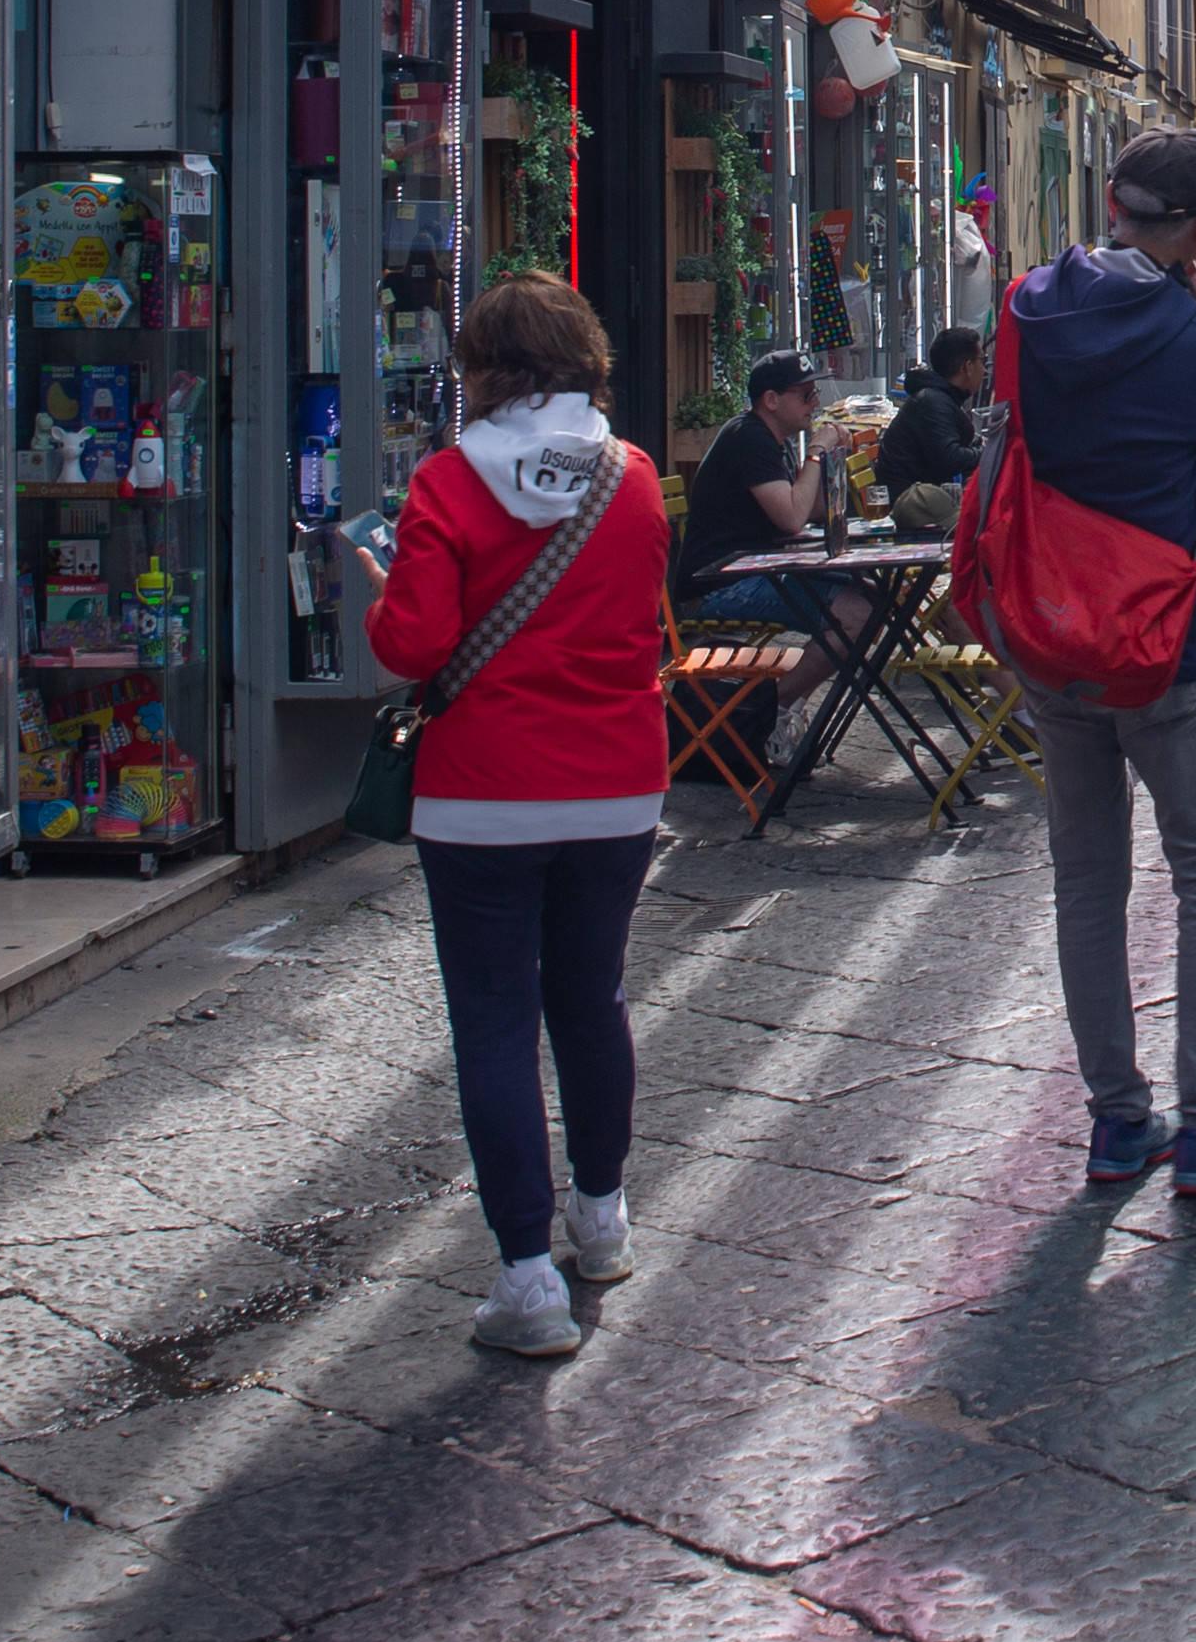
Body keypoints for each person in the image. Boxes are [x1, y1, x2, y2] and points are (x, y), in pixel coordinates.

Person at [362, 274, 673, 1360]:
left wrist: (377, 583)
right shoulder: (632, 479)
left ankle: (526, 1279)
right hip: (617, 782)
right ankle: (602, 1218)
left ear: (484, 372)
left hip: (483, 793)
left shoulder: (447, 486)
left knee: (495, 1023)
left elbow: (411, 647)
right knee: (593, 999)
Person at [1007, 128, 1196, 1198]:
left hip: (1048, 624)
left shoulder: (1029, 306)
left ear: (1112, 204)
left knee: (1086, 877)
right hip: (1165, 635)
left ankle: (1118, 1122)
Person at [677, 352, 867, 643]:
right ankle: (775, 692)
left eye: (814, 393)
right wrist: (815, 452)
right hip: (716, 586)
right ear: (771, 400)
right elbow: (792, 519)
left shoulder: (775, 439)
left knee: (870, 594)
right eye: (805, 395)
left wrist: (831, 459)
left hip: (755, 570)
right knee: (858, 612)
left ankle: (781, 691)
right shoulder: (749, 438)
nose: (815, 403)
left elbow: (812, 511)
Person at [873, 325, 986, 536]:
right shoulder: (933, 401)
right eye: (982, 360)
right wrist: (987, 454)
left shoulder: (941, 397)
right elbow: (950, 457)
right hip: (912, 506)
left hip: (923, 495)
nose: (985, 369)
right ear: (967, 366)